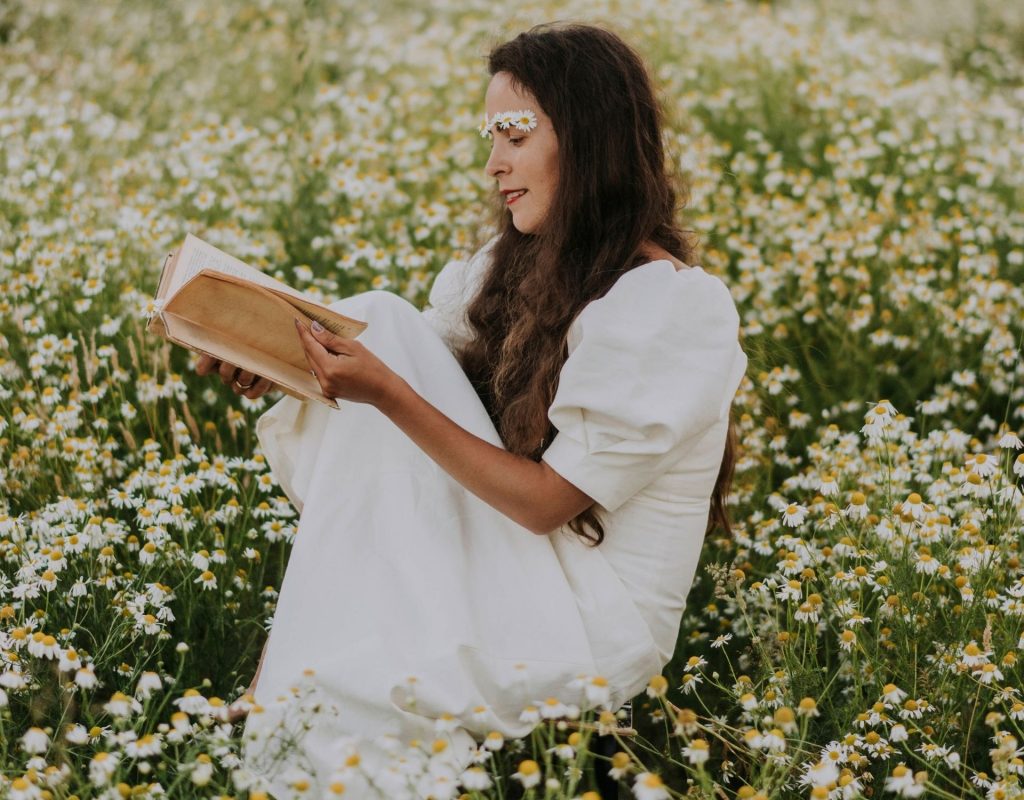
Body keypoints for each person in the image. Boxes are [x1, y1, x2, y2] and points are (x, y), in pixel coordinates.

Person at [197, 22, 746, 796]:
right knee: (380, 331)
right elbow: (404, 411)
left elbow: (546, 503)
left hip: (587, 614)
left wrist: (383, 391)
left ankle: (283, 710)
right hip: (522, 566)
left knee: (383, 331)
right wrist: (278, 364)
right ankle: (281, 700)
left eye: (514, 134)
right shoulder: (514, 268)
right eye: (491, 137)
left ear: (588, 137)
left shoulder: (670, 308)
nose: (494, 164)